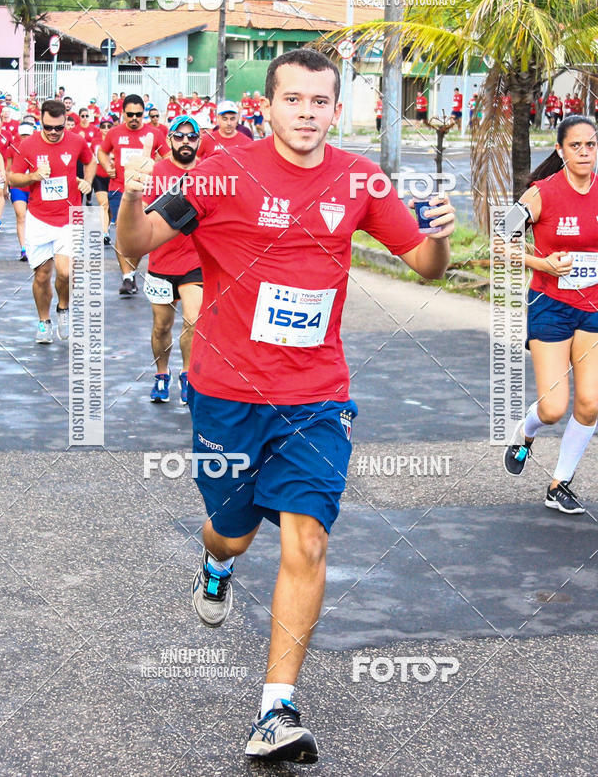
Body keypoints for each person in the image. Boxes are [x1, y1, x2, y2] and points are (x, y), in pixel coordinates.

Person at [117, 48, 455, 763]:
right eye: (293, 100)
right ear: (266, 106)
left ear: (338, 108)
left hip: (316, 393)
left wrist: (443, 235)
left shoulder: (360, 178)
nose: (307, 113)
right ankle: (216, 563)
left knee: (308, 538)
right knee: (232, 533)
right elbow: (142, 244)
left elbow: (424, 265)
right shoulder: (220, 173)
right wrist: (130, 195)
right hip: (227, 390)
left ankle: (277, 709)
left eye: (320, 101)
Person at [502, 115, 598, 515]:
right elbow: (500, 241)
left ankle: (560, 483)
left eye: (590, 145)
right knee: (554, 407)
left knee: (590, 403)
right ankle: (525, 433)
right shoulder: (541, 194)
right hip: (551, 305)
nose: (584, 152)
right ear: (560, 150)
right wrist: (541, 264)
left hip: (593, 307)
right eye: (575, 146)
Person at [8, 99, 95, 342]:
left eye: (59, 128)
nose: (54, 133)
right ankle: (44, 321)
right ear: (41, 122)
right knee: (43, 275)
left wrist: (87, 180)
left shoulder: (76, 141)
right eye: (49, 128)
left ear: (65, 123)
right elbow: (13, 178)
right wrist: (34, 176)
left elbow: (90, 161)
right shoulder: (28, 145)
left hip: (70, 216)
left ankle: (63, 308)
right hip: (39, 218)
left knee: (66, 273)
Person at [141, 115, 203, 404]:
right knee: (161, 326)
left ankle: (187, 374)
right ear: (169, 141)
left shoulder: (208, 172)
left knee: (193, 319)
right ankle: (161, 374)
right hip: (161, 263)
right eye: (180, 136)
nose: (186, 142)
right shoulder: (156, 171)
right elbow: (144, 216)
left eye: (192, 136)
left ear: (199, 140)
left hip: (195, 261)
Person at [98, 94, 165, 295]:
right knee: (122, 232)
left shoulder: (154, 134)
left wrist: (157, 168)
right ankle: (128, 277)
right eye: (130, 114)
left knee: (139, 234)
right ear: (123, 114)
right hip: (119, 189)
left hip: (147, 191)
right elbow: (102, 152)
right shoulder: (114, 133)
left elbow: (168, 156)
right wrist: (106, 165)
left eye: (138, 114)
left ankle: (132, 271)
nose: (134, 118)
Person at [4, 116, 35, 260]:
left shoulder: (38, 147)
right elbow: (8, 170)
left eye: (27, 135)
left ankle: (33, 246)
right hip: (18, 187)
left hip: (35, 187)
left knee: (34, 219)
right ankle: (24, 249)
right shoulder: (12, 149)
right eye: (22, 135)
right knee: (21, 216)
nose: (25, 138)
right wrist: (5, 187)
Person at [91, 119, 114, 244]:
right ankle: (104, 233)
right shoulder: (95, 142)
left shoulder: (116, 141)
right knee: (103, 204)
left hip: (112, 177)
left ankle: (107, 225)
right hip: (98, 176)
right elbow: (91, 159)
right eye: (103, 126)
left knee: (109, 207)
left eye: (109, 126)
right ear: (99, 128)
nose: (106, 128)